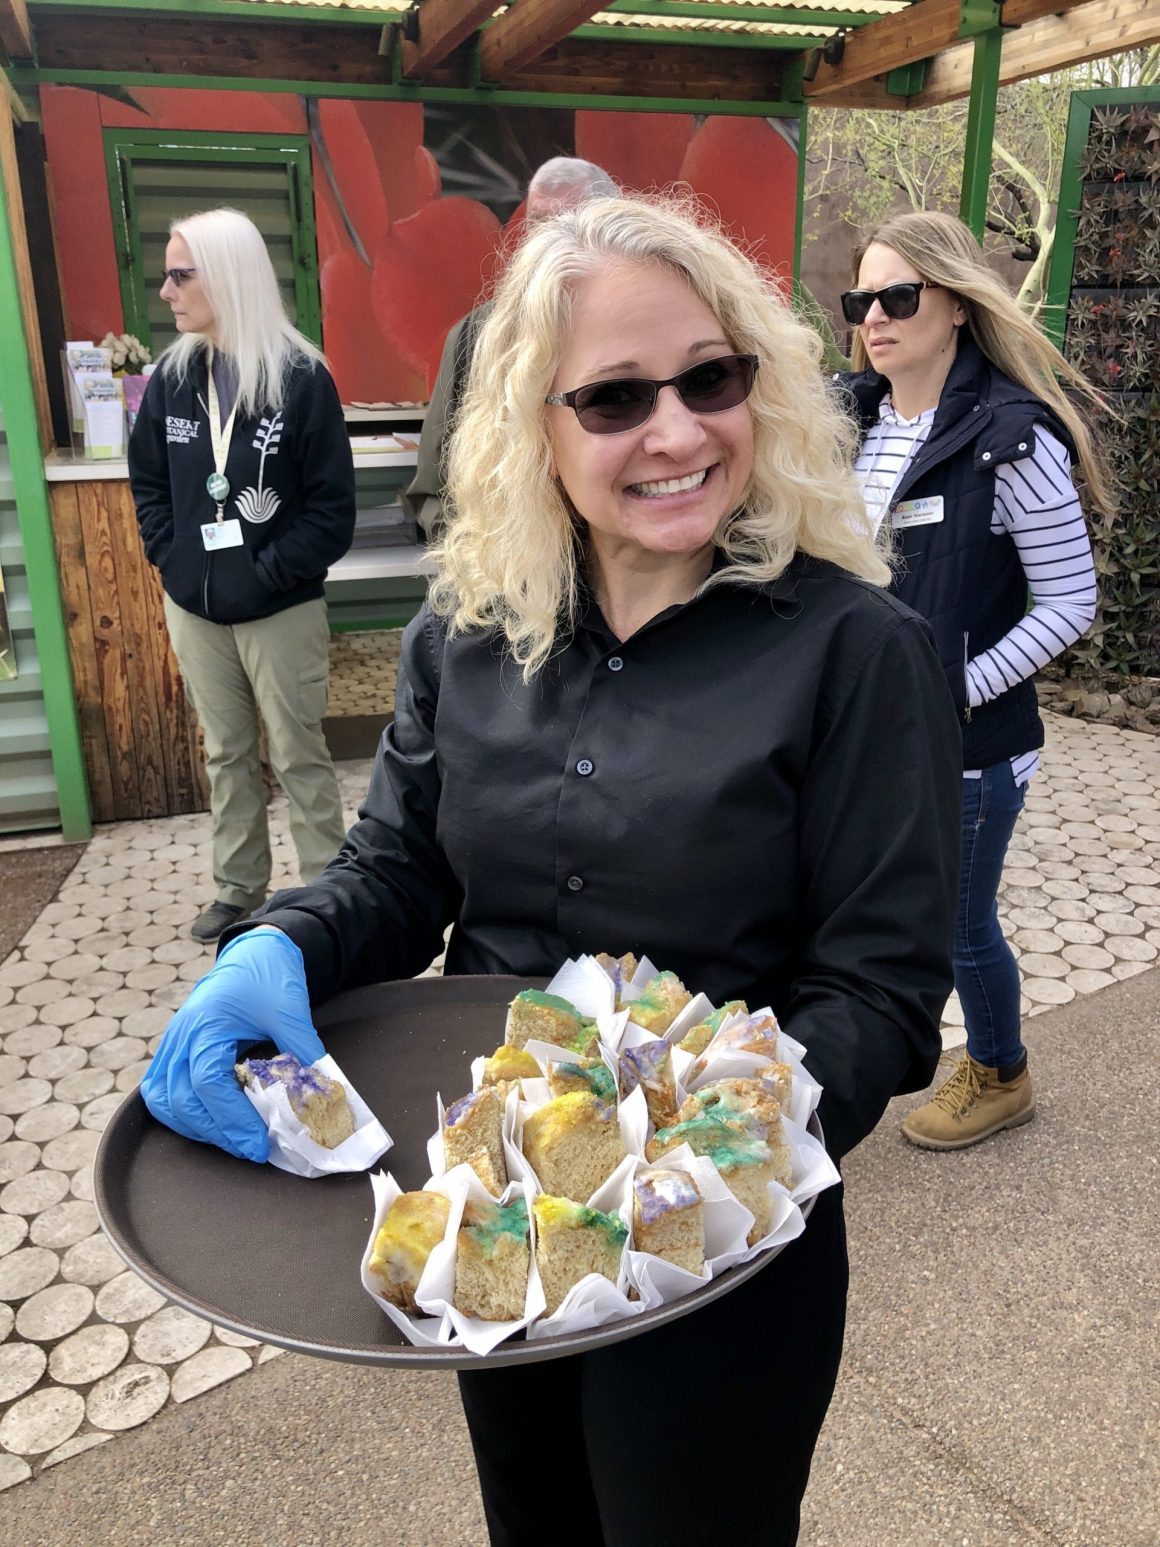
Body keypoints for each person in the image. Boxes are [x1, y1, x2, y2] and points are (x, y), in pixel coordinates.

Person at [141, 195, 962, 1546]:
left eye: (711, 378)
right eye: (615, 398)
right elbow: (402, 867)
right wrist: (281, 941)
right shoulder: (467, 631)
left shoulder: (857, 651)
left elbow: (877, 994)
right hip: (496, 1221)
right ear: (535, 420)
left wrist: (697, 1153)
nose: (679, 429)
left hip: (722, 1258)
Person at [835, 209, 1109, 1152]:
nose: (875, 317)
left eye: (898, 296)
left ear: (954, 302)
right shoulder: (853, 422)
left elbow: (1070, 602)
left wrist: (953, 691)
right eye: (861, 299)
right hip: (867, 736)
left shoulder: (1012, 440)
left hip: (970, 748)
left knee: (957, 923)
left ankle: (1001, 1071)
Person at [129, 207, 355, 944]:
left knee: (297, 752)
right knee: (225, 751)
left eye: (180, 274)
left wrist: (263, 573)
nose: (165, 290)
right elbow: (150, 484)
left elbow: (330, 512)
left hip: (278, 606)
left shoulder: (300, 379)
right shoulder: (172, 377)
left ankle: (329, 886)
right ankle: (238, 886)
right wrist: (172, 557)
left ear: (227, 277)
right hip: (194, 606)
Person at [402, 156, 619, 539]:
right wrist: (477, 563)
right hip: (514, 571)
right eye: (538, 225)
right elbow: (435, 483)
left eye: (569, 222)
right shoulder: (478, 334)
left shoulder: (652, 326)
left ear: (613, 224)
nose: (549, 241)